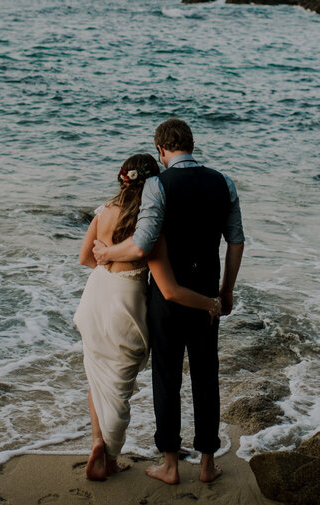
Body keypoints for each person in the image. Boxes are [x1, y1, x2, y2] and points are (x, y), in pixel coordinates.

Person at [93, 119, 245, 485]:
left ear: (161, 151)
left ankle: (171, 465)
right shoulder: (223, 182)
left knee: (166, 378)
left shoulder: (158, 185)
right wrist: (224, 292)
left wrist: (107, 252)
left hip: (168, 298)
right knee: (207, 377)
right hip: (206, 295)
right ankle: (208, 464)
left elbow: (142, 244)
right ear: (192, 145)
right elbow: (236, 241)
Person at [74, 153, 222, 482]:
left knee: (97, 378)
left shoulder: (104, 210)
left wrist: (108, 266)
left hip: (95, 296)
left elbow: (85, 257)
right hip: (126, 301)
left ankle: (100, 445)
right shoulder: (149, 221)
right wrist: (210, 302)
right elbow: (165, 284)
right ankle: (108, 455)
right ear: (153, 182)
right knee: (119, 384)